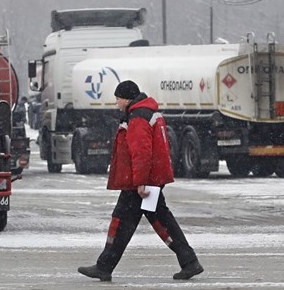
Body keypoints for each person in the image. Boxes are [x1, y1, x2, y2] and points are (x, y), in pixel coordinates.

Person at [78, 80, 203, 282]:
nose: (116, 102)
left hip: (141, 181)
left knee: (123, 221)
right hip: (149, 179)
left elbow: (141, 152)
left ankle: (104, 267)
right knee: (156, 218)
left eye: (118, 98)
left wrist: (140, 182)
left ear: (127, 98)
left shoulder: (138, 117)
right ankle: (189, 261)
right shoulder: (147, 112)